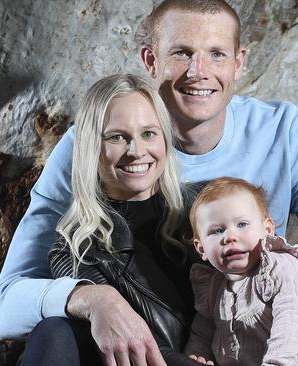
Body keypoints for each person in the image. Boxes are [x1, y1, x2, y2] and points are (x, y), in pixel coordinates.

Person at [0, 1, 298, 365]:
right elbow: (7, 304)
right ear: (150, 61)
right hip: (140, 338)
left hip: (250, 327)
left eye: (216, 54)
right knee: (54, 334)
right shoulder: (93, 141)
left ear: (239, 63)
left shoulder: (283, 134)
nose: (199, 72)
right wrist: (92, 298)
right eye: (181, 53)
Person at [36, 73, 201, 365]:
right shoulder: (77, 246)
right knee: (53, 332)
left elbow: (269, 260)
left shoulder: (206, 205)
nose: (136, 151)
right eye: (116, 137)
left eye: (149, 133)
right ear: (92, 147)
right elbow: (143, 348)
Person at [184, 177, 298, 365]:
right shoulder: (213, 289)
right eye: (217, 230)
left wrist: (277, 362)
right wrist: (197, 356)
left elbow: (292, 318)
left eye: (242, 224)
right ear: (201, 248)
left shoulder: (280, 267)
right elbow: (201, 334)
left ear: (268, 229)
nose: (230, 237)